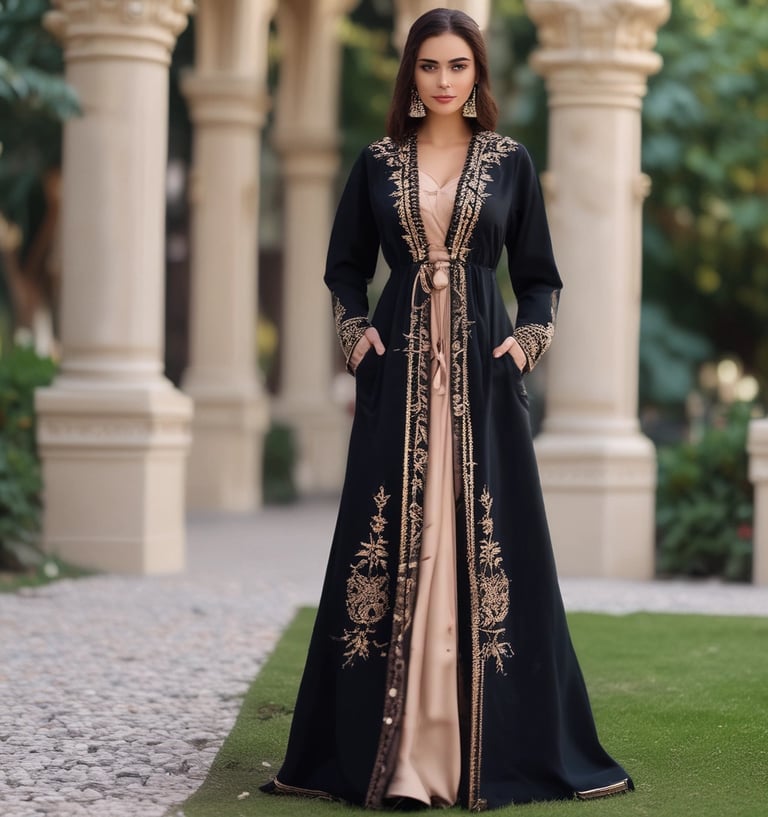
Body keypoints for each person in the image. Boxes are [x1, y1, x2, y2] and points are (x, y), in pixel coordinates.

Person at [262, 7, 632, 812]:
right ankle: (387, 751)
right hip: (397, 374)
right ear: (411, 74)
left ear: (477, 76)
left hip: (483, 378)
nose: (442, 80)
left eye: (457, 66)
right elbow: (343, 268)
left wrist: (528, 342)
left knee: (491, 534)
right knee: (383, 530)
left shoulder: (510, 163)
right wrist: (355, 333)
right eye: (428, 66)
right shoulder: (376, 162)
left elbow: (541, 278)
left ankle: (482, 745)